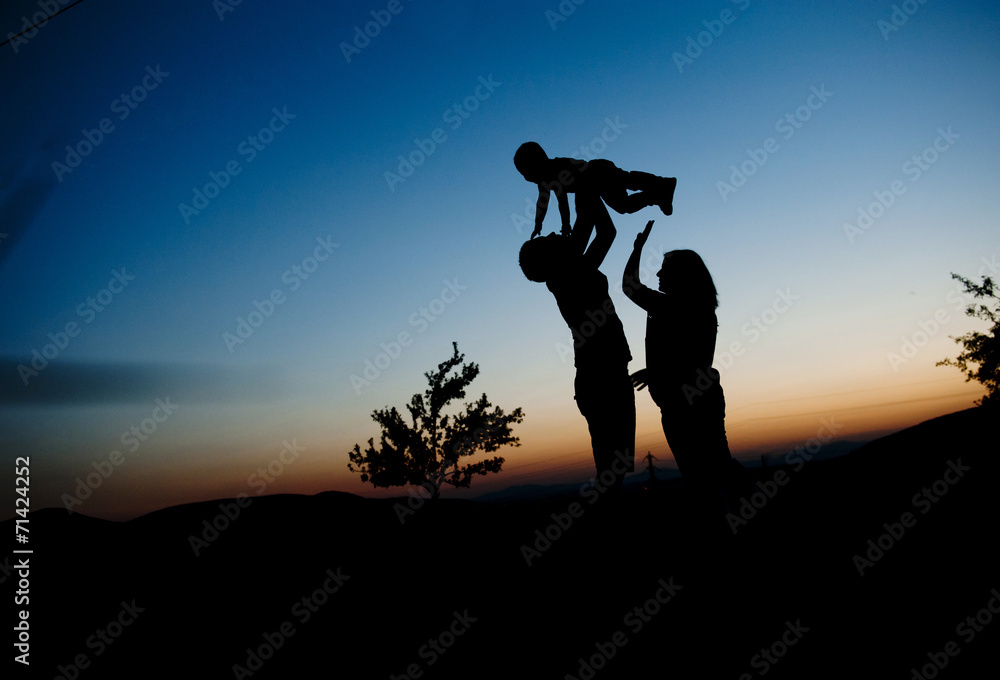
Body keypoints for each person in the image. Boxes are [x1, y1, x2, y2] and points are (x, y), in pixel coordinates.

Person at [622, 220, 747, 514]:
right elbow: (690, 358)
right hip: (697, 400)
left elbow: (630, 286)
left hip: (685, 407)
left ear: (682, 276)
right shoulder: (696, 308)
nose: (659, 273)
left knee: (703, 477)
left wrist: (637, 249)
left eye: (665, 270)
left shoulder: (671, 307)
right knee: (716, 468)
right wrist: (654, 372)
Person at [518, 195, 635, 496]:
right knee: (612, 468)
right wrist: (586, 186)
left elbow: (606, 232)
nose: (555, 234)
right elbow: (595, 230)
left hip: (602, 371)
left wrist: (591, 192)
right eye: (548, 239)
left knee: (613, 467)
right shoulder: (570, 273)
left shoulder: (570, 270)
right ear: (551, 257)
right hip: (602, 374)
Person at [513, 141, 676, 240]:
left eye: (525, 172)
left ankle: (662, 184)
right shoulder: (544, 181)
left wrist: (566, 226)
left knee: (628, 182)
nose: (525, 177)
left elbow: (562, 201)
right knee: (624, 201)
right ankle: (658, 195)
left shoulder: (553, 172)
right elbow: (542, 203)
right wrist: (538, 225)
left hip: (597, 172)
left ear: (536, 165)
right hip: (593, 182)